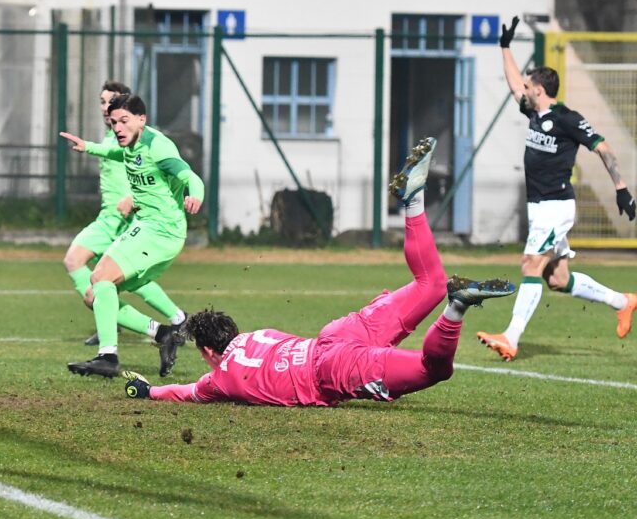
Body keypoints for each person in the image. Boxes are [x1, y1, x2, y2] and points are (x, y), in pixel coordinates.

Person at [121, 138, 517, 407]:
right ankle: (413, 203)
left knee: (432, 370)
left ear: (208, 352)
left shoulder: (220, 381)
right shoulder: (256, 336)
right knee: (430, 284)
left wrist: (147, 391)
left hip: (332, 369)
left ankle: (457, 309)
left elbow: (182, 391)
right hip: (334, 336)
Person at [476, 17, 637, 362]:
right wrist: (505, 47)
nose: (524, 87)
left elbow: (603, 148)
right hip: (540, 206)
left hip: (555, 207)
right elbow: (513, 84)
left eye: (528, 84)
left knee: (530, 265)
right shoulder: (534, 113)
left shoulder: (567, 118)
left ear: (540, 89)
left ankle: (511, 337)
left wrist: (621, 189)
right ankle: (624, 302)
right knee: (558, 279)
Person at [60, 93, 204, 378]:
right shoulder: (131, 143)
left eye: (124, 121)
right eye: (114, 123)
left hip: (161, 231)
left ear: (142, 119)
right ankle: (163, 333)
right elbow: (119, 153)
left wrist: (195, 195)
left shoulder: (157, 146)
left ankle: (108, 357)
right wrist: (88, 147)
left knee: (100, 278)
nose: (118, 128)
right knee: (94, 295)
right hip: (146, 227)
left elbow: (189, 175)